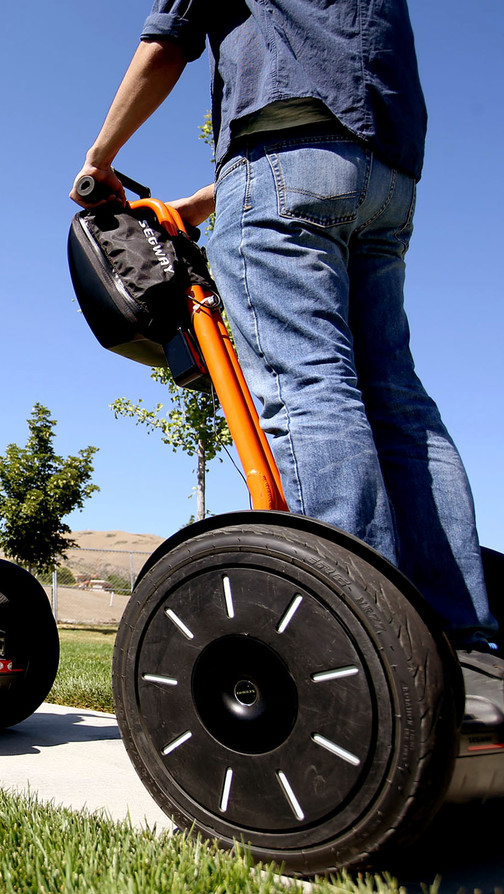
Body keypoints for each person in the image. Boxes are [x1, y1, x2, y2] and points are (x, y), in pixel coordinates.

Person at [71, 1, 500, 707]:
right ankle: (464, 638)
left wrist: (101, 159)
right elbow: (328, 107)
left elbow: (167, 42)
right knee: (398, 401)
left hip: (283, 161)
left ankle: (365, 632)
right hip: (386, 176)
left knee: (310, 384)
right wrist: (207, 203)